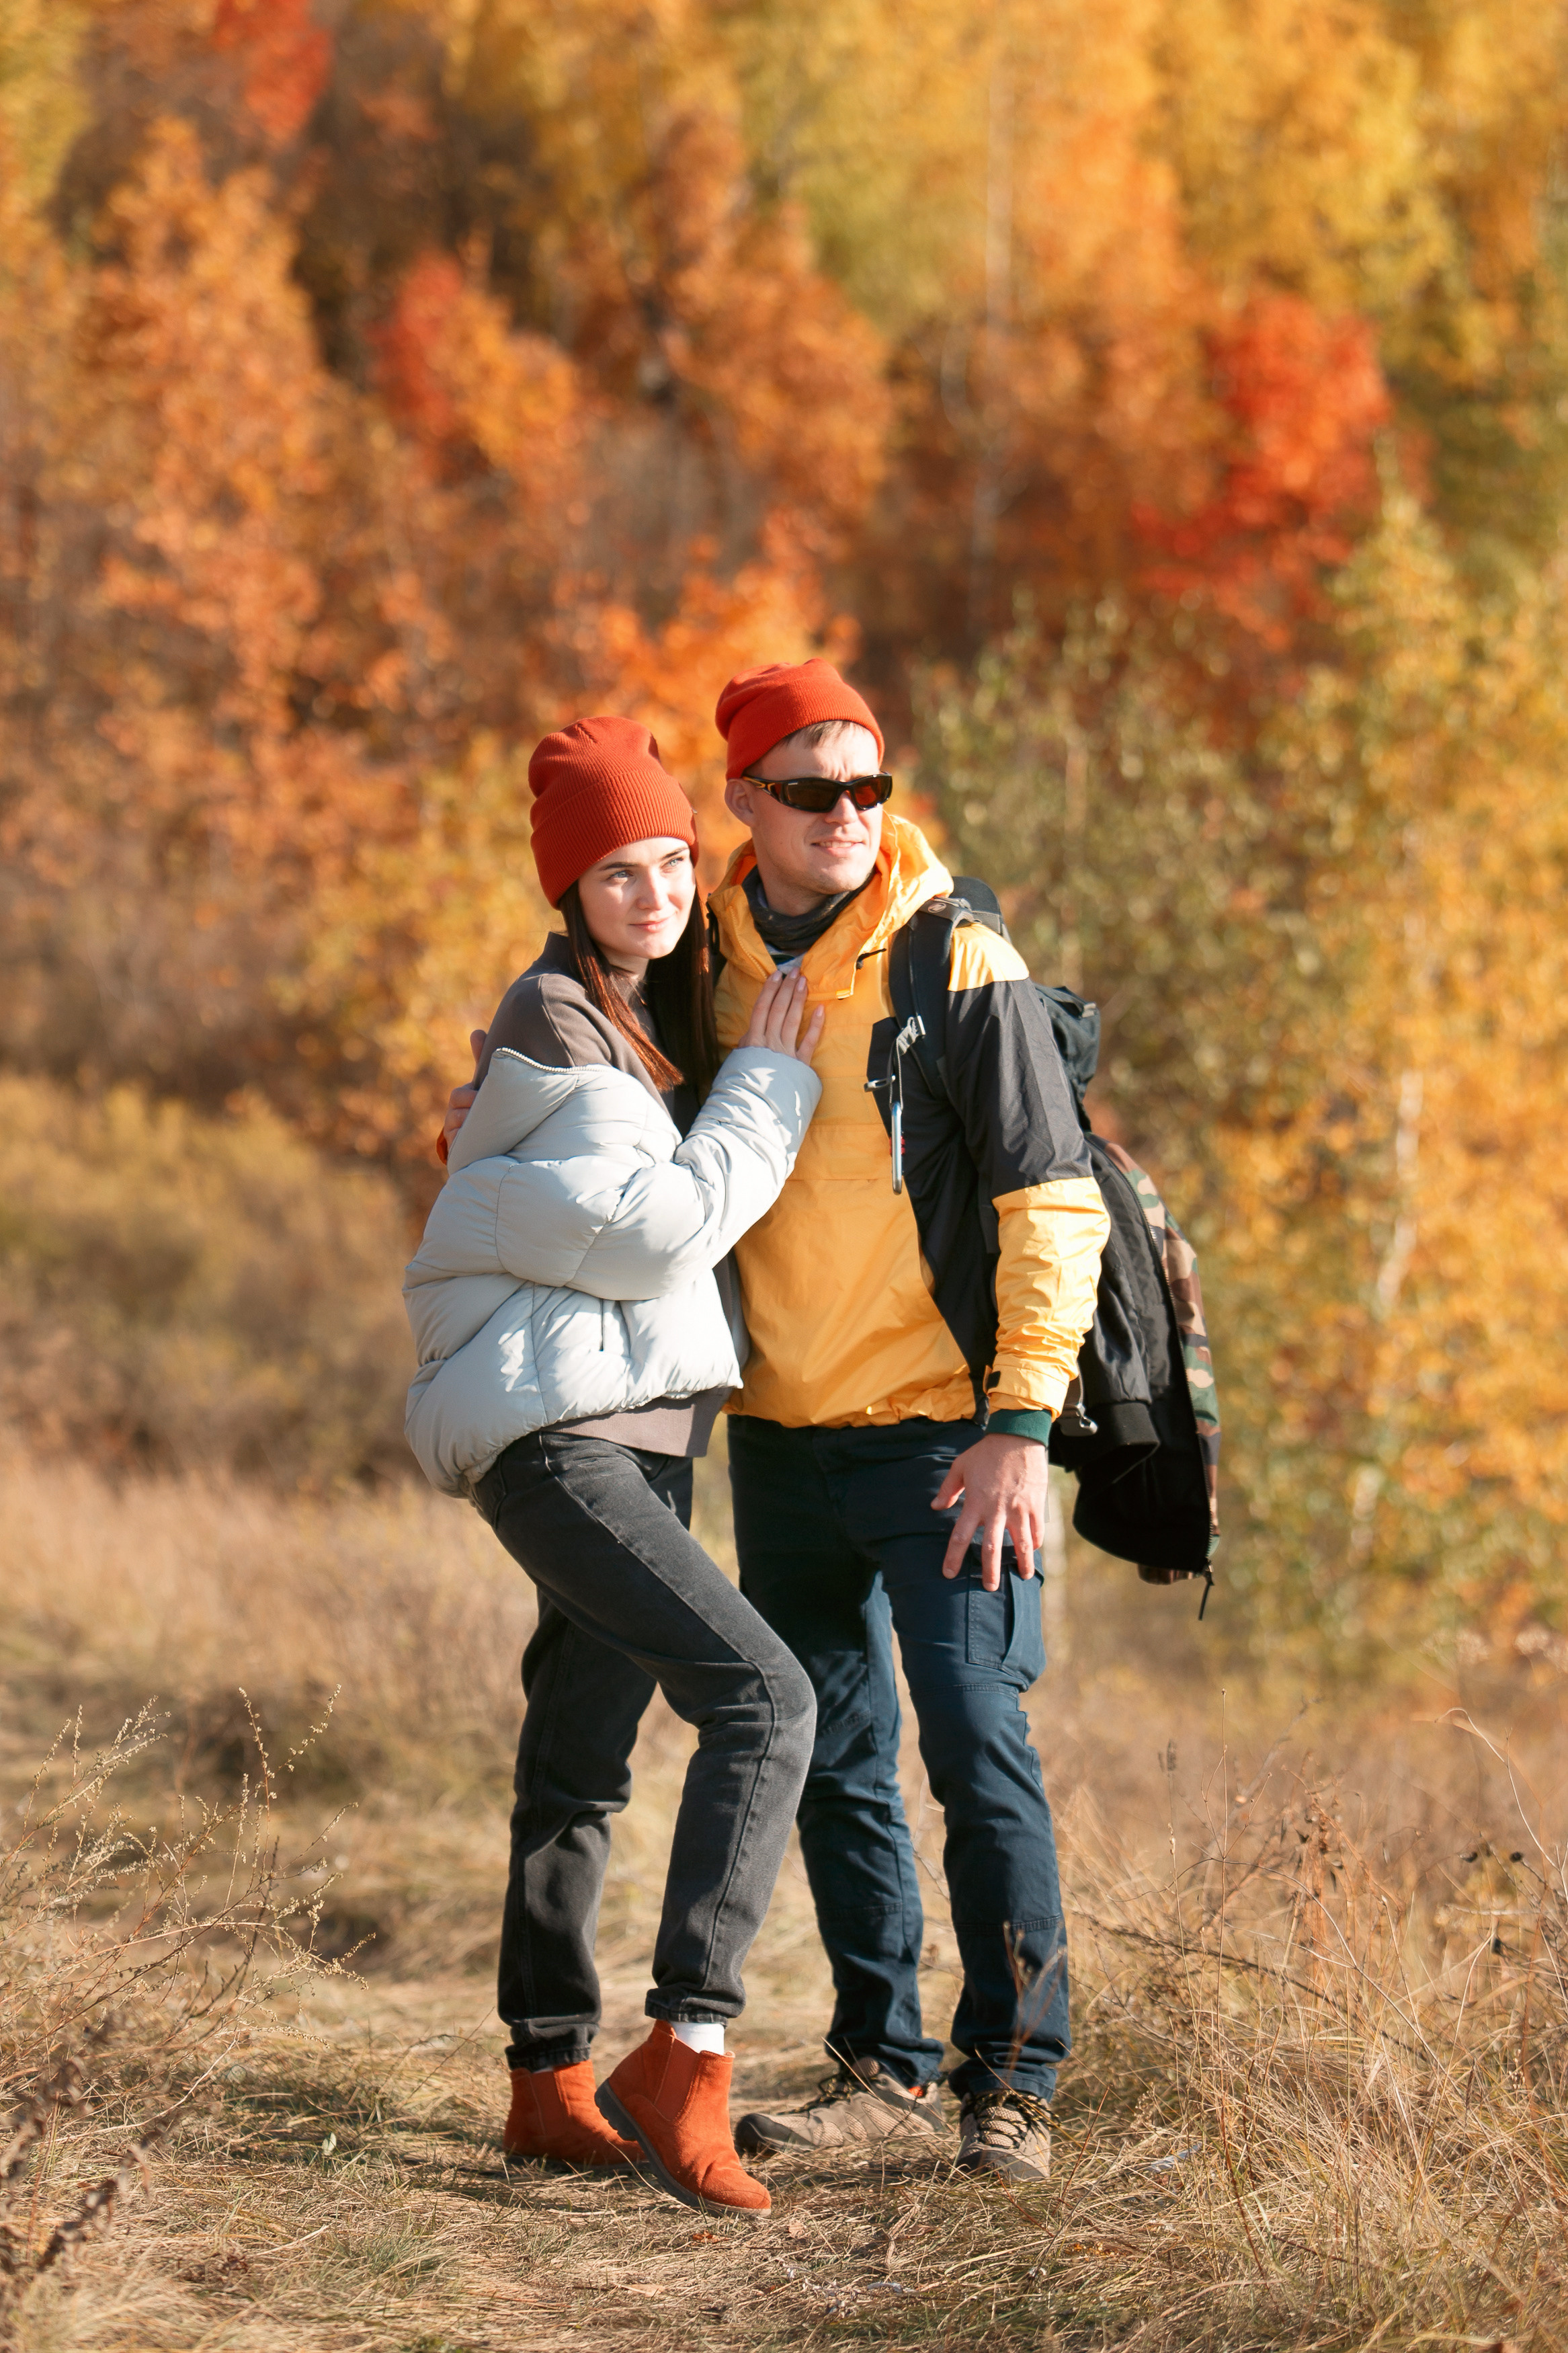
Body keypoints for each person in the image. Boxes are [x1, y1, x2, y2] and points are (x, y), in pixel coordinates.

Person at [442, 666, 1111, 2183]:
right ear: (745, 799)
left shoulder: (957, 955)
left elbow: (1048, 1202)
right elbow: (595, 1071)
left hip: (953, 1437)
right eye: (813, 790)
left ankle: (1013, 2079)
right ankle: (879, 2062)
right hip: (786, 1440)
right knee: (838, 1759)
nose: (849, 817)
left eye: (869, 787)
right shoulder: (706, 950)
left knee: (978, 1743)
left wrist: (1020, 1420)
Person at [405, 715, 824, 2217]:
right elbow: (659, 1230)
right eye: (615, 871)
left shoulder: (632, 1017)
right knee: (766, 1699)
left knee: (577, 1750)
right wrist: (770, 1092)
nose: (651, 890)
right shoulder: (558, 1030)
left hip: (630, 1431)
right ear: (566, 888)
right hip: (563, 1441)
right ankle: (686, 2052)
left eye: (668, 861)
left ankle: (545, 2080)